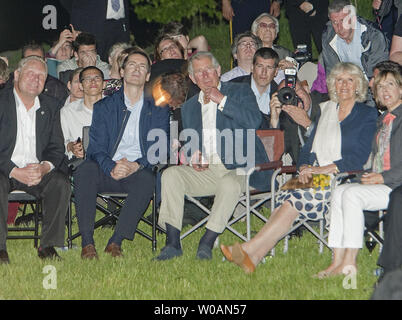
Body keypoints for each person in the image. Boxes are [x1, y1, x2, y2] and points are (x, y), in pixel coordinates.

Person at [220, 62, 377, 274]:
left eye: (350, 80)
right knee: (287, 195)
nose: (344, 85)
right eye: (339, 80)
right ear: (333, 84)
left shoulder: (366, 115)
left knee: (292, 199)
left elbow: (358, 158)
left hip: (343, 177)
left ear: (358, 85)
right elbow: (309, 147)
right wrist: (303, 167)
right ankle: (253, 257)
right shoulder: (326, 110)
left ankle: (249, 250)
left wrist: (320, 171)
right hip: (314, 176)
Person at [155, 51, 272, 261]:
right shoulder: (190, 107)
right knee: (171, 175)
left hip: (243, 168)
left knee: (229, 184)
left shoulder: (239, 91)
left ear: (219, 71)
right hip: (209, 171)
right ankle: (172, 243)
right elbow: (191, 142)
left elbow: (254, 121)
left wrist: (223, 101)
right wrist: (193, 155)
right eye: (199, 72)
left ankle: (206, 242)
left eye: (209, 69)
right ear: (192, 78)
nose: (205, 75)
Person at [72, 49, 169, 260]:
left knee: (148, 179)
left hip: (137, 171)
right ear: (122, 72)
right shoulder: (105, 107)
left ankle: (115, 241)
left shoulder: (159, 108)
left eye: (142, 66)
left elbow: (160, 148)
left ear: (148, 76)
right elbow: (96, 148)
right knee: (84, 171)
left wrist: (136, 165)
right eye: (132, 65)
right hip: (107, 169)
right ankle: (87, 242)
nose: (137, 69)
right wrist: (111, 166)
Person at [317, 66, 402, 278]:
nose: (384, 91)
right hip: (381, 183)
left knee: (353, 195)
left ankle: (350, 262)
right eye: (379, 87)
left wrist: (382, 177)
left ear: (401, 89)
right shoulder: (383, 121)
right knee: (340, 191)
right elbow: (374, 160)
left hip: (396, 186)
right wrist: (363, 176)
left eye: (390, 85)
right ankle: (336, 260)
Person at [0, 56, 71, 264]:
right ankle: (0, 248)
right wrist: (14, 170)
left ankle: (48, 246)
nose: (36, 79)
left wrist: (43, 168)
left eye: (41, 75)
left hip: (36, 171)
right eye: (31, 73)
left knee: (60, 182)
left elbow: (57, 148)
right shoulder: (1, 102)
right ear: (16, 75)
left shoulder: (51, 106)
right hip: (5, 170)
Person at [321, 0, 389, 81]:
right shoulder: (328, 38)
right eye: (335, 22)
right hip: (345, 88)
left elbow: (378, 79)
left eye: (343, 21)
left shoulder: (373, 36)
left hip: (369, 87)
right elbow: (332, 74)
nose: (339, 28)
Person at [60, 0, 131, 62]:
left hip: (120, 24)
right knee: (92, 64)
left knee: (120, 60)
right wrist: (80, 17)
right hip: (91, 25)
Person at [3, 43, 69, 107]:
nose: (34, 64)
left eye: (39, 59)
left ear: (45, 61)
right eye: (29, 60)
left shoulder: (57, 87)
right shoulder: (7, 83)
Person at [61, 66, 104, 161]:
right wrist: (72, 147)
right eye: (88, 79)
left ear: (104, 84)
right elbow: (63, 141)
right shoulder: (68, 111)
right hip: (82, 163)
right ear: (81, 86)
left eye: (97, 78)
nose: (93, 81)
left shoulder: (115, 108)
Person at [230, 47, 279, 117]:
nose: (264, 72)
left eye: (269, 67)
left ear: (276, 71)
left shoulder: (280, 95)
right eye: (260, 66)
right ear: (252, 67)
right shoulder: (234, 88)